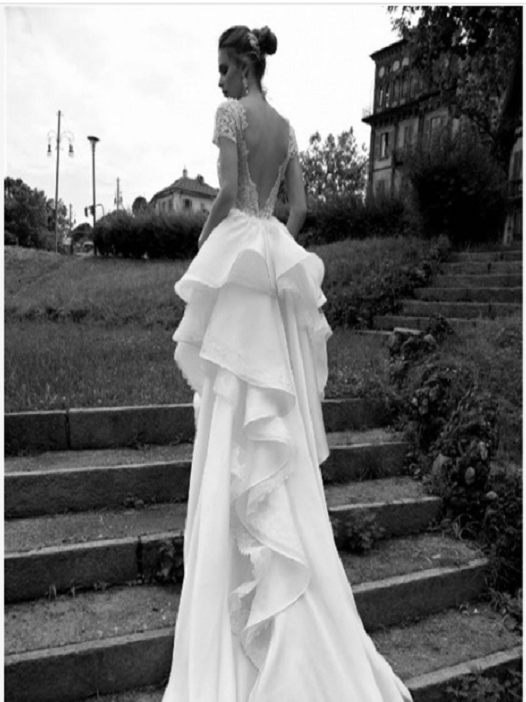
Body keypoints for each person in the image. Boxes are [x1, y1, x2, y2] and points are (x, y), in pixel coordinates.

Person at [163, 25, 412, 702]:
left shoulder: (231, 115)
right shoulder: (287, 126)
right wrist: (272, 246)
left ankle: (235, 598)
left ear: (243, 68)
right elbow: (296, 208)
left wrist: (206, 243)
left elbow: (225, 192)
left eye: (223, 68)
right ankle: (289, 593)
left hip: (241, 280)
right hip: (269, 279)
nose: (218, 80)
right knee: (269, 416)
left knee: (232, 416)